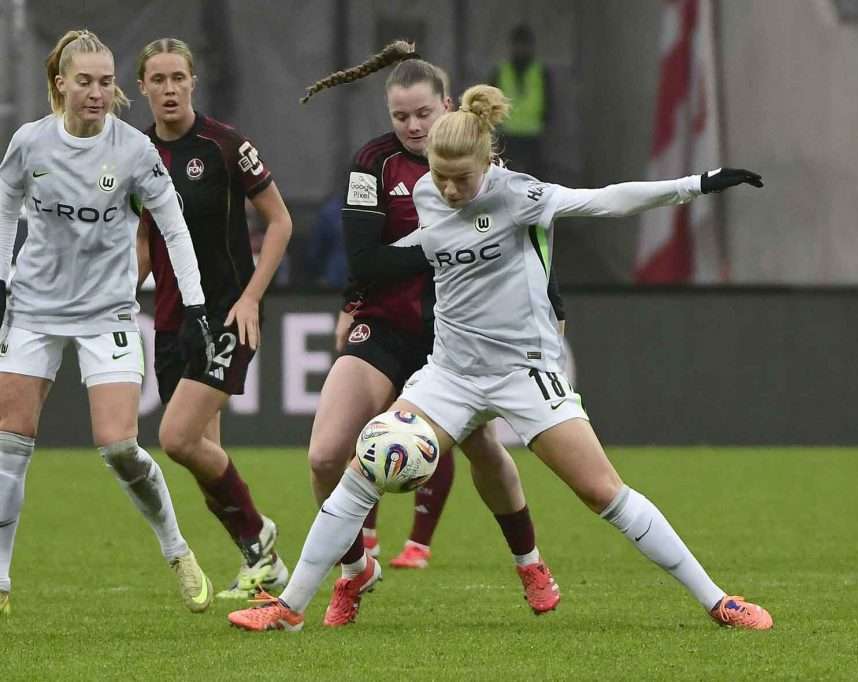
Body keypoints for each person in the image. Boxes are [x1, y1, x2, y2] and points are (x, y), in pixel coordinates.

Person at [228, 83, 772, 632]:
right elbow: (400, 251)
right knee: (363, 467)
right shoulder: (426, 196)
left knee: (602, 491)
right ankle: (292, 607)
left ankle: (718, 601)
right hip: (450, 373)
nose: (448, 188)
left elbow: (607, 199)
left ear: (487, 161)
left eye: (461, 177)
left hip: (524, 372)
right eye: (438, 176)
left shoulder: (521, 195)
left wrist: (697, 185)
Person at [0, 29, 216, 616]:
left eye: (105, 82)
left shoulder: (133, 152)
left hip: (106, 314)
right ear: (60, 84)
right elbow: (6, 203)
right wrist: (1, 281)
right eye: (85, 82)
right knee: (10, 444)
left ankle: (177, 550)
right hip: (34, 310)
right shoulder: (30, 143)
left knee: (120, 447)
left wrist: (195, 306)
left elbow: (173, 227)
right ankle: (0, 583)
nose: (97, 93)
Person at [134, 38, 293, 597]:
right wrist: (118, 296)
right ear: (143, 88)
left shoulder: (225, 144)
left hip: (227, 315)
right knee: (207, 463)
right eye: (159, 79)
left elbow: (280, 222)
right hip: (172, 321)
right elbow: (143, 239)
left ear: (193, 82)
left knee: (176, 438)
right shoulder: (136, 152)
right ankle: (264, 565)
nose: (170, 88)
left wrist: (251, 297)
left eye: (179, 76)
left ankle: (261, 532)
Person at [488, 24, 552, 176]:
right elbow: (490, 99)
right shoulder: (501, 71)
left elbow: (549, 100)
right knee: (504, 177)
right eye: (518, 44)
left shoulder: (540, 71)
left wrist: (546, 122)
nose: (521, 49)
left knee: (535, 179)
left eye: (525, 45)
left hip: (533, 134)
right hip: (507, 134)